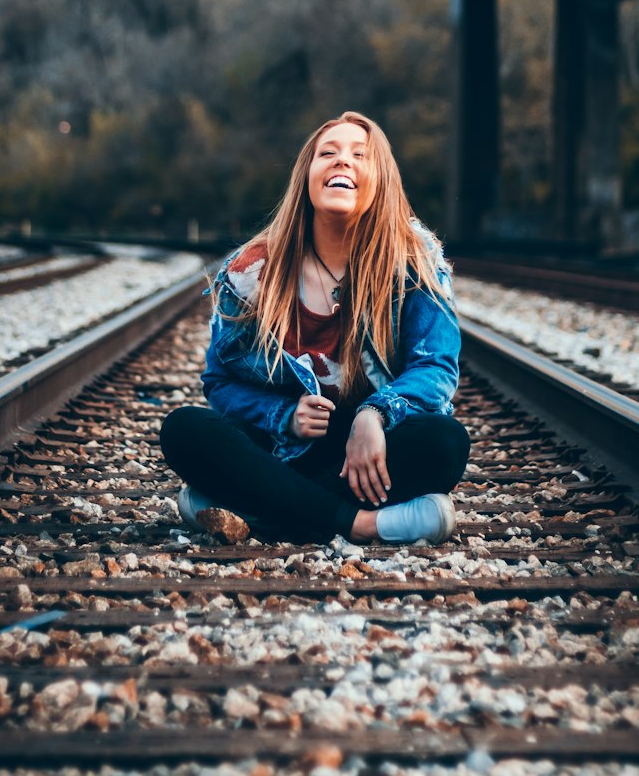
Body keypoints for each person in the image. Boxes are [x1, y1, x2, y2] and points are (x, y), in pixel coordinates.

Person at [160, 111, 469, 545]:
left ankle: (252, 512)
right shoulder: (254, 270)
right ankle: (364, 525)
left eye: (360, 155)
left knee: (444, 442)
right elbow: (220, 380)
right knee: (184, 430)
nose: (342, 161)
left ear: (381, 181)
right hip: (283, 450)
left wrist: (374, 413)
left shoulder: (413, 263)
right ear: (307, 174)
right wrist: (284, 415)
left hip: (368, 454)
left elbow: (436, 367)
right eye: (328, 153)